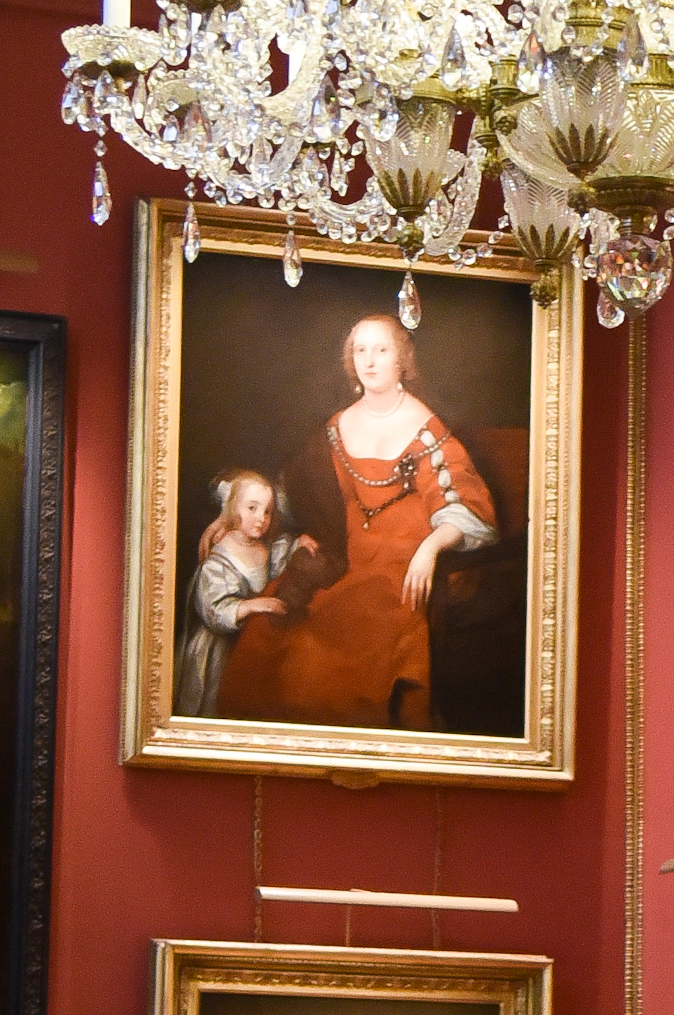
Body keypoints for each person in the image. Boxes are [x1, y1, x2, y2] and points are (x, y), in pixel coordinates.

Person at [213, 310, 499, 731]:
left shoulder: (426, 429)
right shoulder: (336, 427)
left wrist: (430, 546)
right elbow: (288, 495)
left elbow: (465, 503)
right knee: (268, 633)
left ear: (401, 359)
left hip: (403, 573)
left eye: (381, 350)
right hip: (347, 563)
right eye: (360, 350)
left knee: (329, 661)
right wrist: (229, 514)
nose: (369, 360)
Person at [176, 468, 297, 716]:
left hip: (246, 643)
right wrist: (254, 605)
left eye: (267, 511)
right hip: (217, 651)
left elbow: (279, 560)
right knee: (213, 705)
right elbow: (214, 610)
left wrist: (299, 544)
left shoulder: (264, 548)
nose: (261, 518)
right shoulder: (220, 556)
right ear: (232, 508)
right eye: (252, 508)